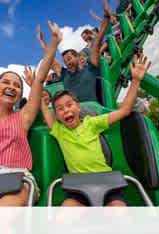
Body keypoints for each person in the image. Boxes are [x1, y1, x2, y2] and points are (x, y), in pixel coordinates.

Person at [0, 0, 62, 206]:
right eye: (6, 82)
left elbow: (40, 79)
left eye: (17, 85)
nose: (11, 87)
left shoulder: (24, 117)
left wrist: (54, 43)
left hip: (17, 178)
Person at [40, 54, 151, 206]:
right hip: (78, 187)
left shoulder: (92, 123)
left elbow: (124, 111)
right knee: (66, 210)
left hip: (106, 180)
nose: (65, 110)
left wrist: (136, 81)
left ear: (78, 107)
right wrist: (37, 86)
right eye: (59, 109)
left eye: (69, 105)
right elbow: (43, 108)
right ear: (57, 116)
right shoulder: (59, 131)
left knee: (118, 211)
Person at [60, 0, 112, 103]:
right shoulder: (68, 76)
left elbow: (98, 42)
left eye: (69, 59)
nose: (68, 63)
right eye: (65, 62)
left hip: (102, 56)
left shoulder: (90, 65)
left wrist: (106, 17)